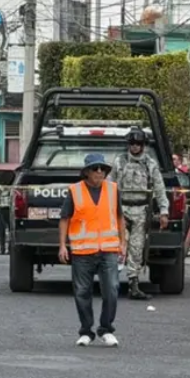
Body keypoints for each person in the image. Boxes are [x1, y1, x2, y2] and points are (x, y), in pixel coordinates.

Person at [58, 154, 125, 347]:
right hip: (82, 251)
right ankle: (86, 331)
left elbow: (120, 217)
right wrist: (62, 245)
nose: (99, 172)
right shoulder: (75, 191)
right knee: (82, 292)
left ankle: (106, 329)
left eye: (102, 169)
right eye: (95, 168)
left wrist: (123, 243)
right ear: (86, 172)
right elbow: (64, 219)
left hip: (109, 249)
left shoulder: (113, 190)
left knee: (111, 290)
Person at [110, 127, 168, 300]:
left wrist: (164, 211)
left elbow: (159, 188)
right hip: (121, 210)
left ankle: (133, 285)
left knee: (137, 248)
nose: (135, 147)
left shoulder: (150, 164)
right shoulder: (119, 162)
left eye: (138, 144)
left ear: (143, 145)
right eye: (132, 143)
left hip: (141, 211)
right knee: (118, 247)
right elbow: (110, 186)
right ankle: (111, 282)